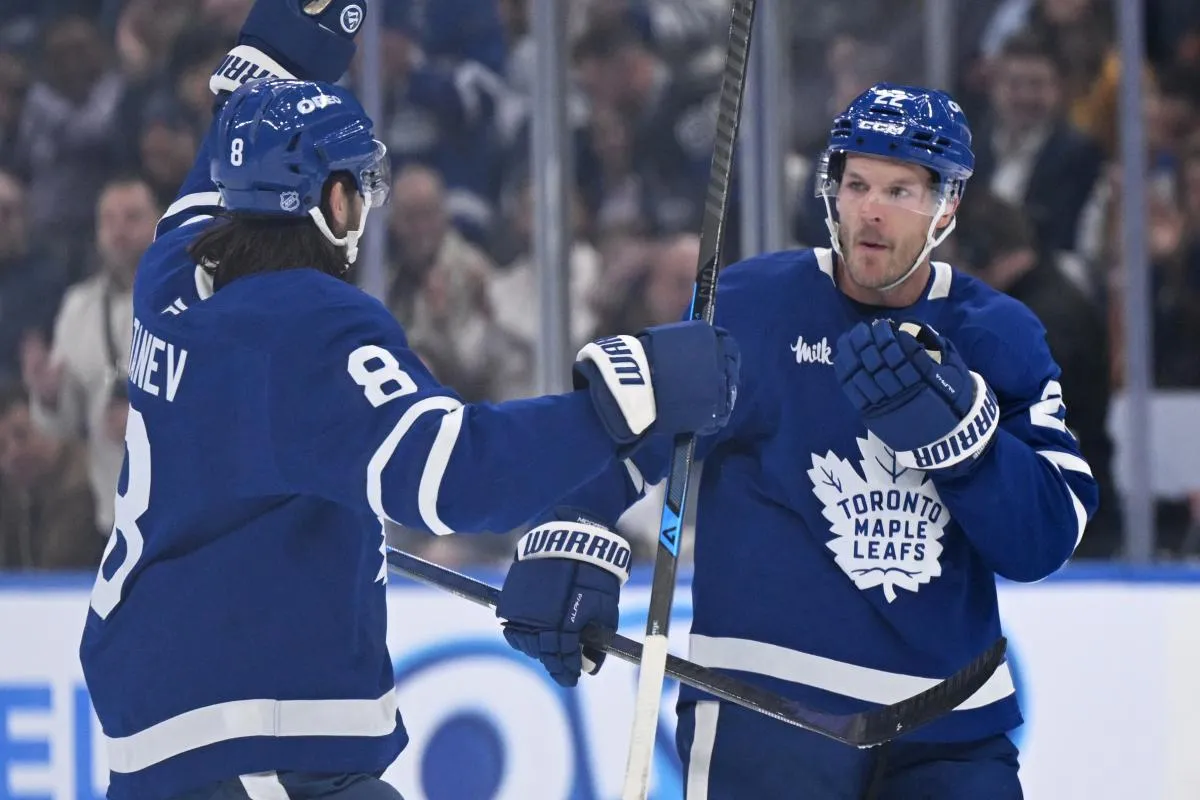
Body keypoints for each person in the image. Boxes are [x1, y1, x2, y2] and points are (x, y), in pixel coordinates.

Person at [76, 3, 740, 800]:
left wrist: (292, 30)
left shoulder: (174, 269)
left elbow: (240, 111)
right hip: (255, 741)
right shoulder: (309, 325)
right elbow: (452, 477)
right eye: (357, 187)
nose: (366, 207)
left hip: (169, 722)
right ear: (329, 205)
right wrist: (635, 394)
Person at [494, 83, 1099, 798]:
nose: (872, 209)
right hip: (766, 714)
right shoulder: (754, 306)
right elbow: (636, 426)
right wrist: (570, 524)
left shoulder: (998, 334)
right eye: (858, 184)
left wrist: (968, 445)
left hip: (951, 727)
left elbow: (1045, 539)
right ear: (832, 192)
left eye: (901, 190)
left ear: (948, 206)